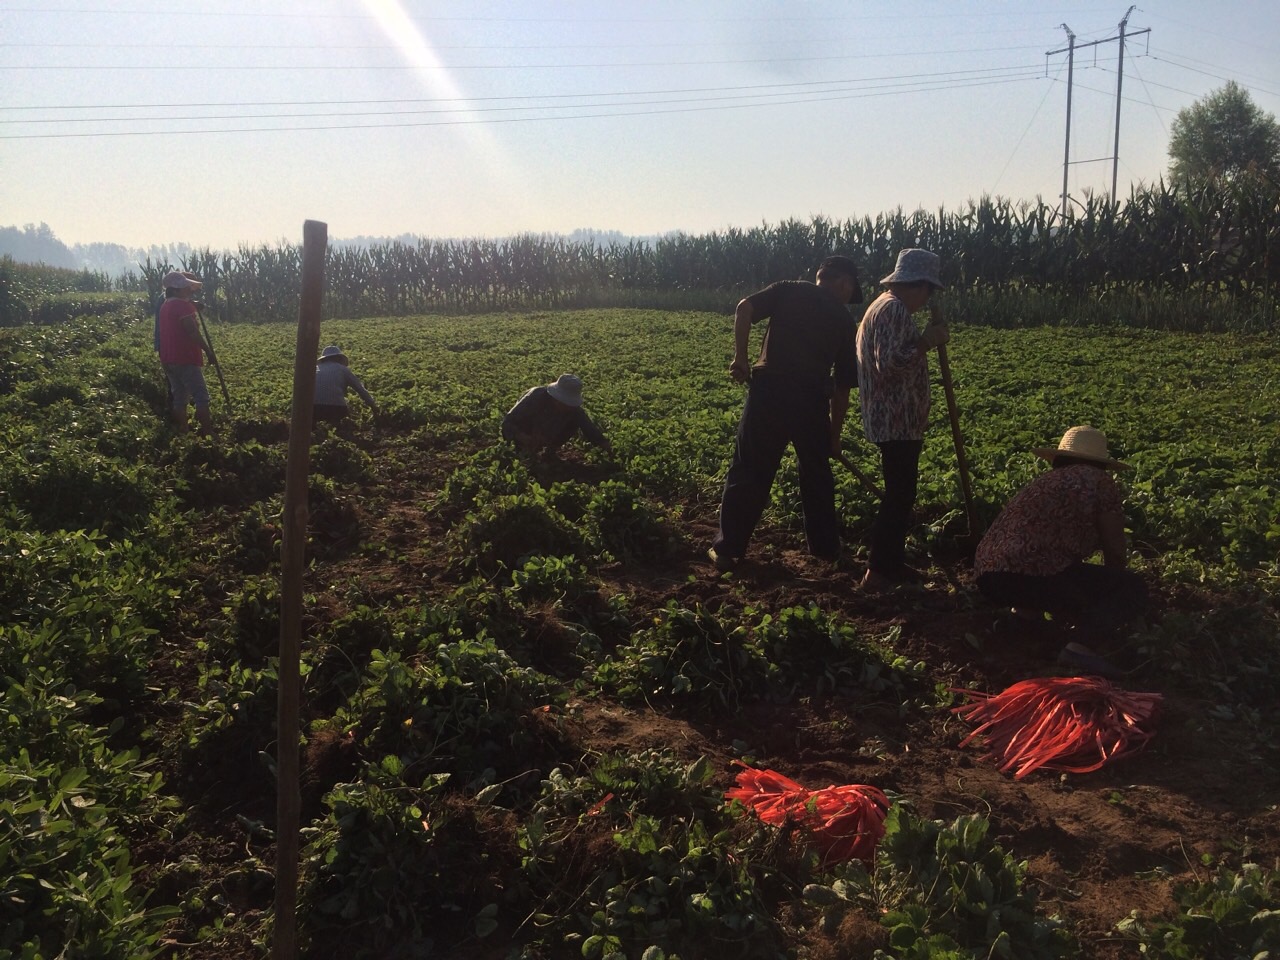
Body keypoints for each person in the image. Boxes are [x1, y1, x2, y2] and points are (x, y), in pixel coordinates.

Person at [708, 255, 863, 572]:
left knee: (750, 468)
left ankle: (728, 550)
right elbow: (844, 387)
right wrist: (833, 438)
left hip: (769, 393)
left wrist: (741, 358)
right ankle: (826, 550)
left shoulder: (788, 290)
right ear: (844, 284)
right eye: (850, 291)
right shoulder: (844, 320)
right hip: (810, 399)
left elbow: (744, 309)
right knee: (816, 475)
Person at [973, 426, 1148, 674]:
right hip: (1034, 577)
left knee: (1051, 567)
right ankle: (1079, 649)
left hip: (989, 576)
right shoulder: (1100, 482)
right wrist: (1116, 592)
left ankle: (1022, 619)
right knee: (1132, 588)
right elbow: (1115, 546)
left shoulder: (1046, 481)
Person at [856, 248, 949, 591]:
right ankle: (878, 571)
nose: (926, 301)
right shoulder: (893, 309)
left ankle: (891, 565)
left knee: (901, 494)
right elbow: (891, 364)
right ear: (918, 286)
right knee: (899, 496)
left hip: (897, 419)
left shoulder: (884, 306)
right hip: (895, 419)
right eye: (928, 292)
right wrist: (926, 341)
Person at [156, 270, 216, 436]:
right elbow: (192, 332)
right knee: (201, 396)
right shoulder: (182, 306)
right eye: (184, 287)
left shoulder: (165, 305)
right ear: (175, 290)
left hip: (168, 359)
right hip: (185, 358)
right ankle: (208, 432)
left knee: (179, 397)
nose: (188, 290)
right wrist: (208, 351)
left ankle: (184, 431)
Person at [501, 373, 611, 457]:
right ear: (556, 397)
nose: (567, 407)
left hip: (548, 433)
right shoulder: (535, 396)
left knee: (574, 421)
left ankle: (550, 450)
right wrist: (523, 437)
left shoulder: (574, 410)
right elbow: (508, 422)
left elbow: (589, 428)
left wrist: (606, 446)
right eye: (564, 403)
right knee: (521, 449)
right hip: (525, 431)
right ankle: (522, 447)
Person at [314, 345, 378, 424]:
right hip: (336, 407)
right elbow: (360, 389)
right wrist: (373, 406)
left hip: (314, 408)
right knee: (341, 427)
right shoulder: (343, 369)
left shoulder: (315, 369)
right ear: (338, 358)